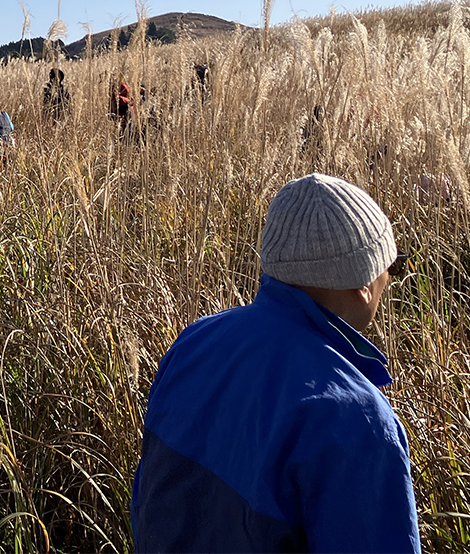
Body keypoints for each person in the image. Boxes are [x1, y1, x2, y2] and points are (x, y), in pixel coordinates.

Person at [131, 173, 420, 552]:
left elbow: (150, 500)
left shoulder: (195, 341)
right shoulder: (356, 418)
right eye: (391, 268)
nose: (389, 281)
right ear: (363, 285)